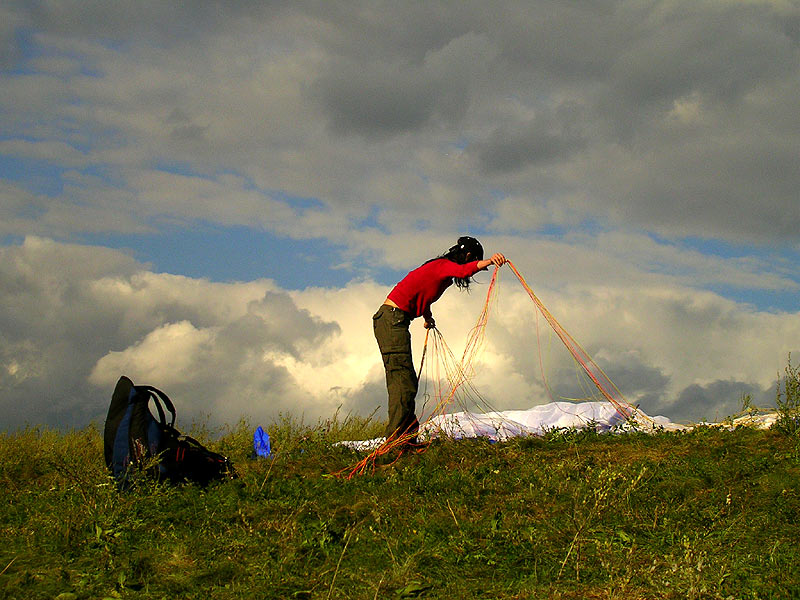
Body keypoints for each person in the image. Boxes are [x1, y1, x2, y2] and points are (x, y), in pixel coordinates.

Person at [372, 236, 507, 447]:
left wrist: (426, 316)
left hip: (396, 319)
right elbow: (464, 271)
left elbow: (421, 292)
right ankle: (396, 445)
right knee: (403, 383)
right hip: (392, 320)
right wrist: (490, 261)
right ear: (468, 256)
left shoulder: (440, 271)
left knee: (407, 382)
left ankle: (406, 441)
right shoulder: (444, 266)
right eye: (473, 261)